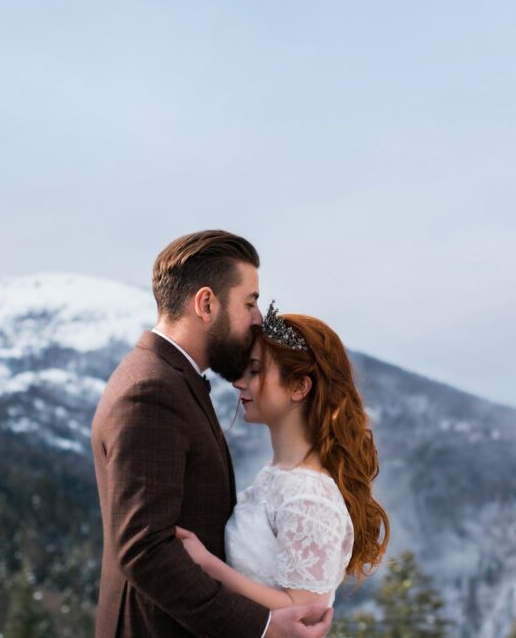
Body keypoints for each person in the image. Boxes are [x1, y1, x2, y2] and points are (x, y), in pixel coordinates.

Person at [91, 230, 334, 637]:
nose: (258, 319)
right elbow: (144, 549)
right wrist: (261, 627)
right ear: (206, 303)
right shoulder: (152, 391)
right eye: (250, 303)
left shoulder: (168, 379)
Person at [174, 303, 390, 614]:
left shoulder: (310, 496)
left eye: (256, 370)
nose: (238, 382)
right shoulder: (278, 475)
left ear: (299, 387)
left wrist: (206, 564)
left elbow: (305, 613)